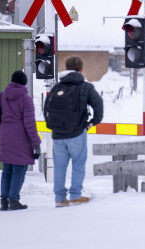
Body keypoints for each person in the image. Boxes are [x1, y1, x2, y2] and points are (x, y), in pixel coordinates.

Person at [43, 55, 103, 207]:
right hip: (77, 133)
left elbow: (46, 108)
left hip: (57, 135)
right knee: (78, 165)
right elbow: (98, 106)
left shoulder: (57, 87)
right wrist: (91, 123)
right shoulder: (85, 87)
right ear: (81, 70)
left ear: (66, 69)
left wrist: (54, 125)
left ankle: (60, 198)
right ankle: (75, 195)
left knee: (59, 167)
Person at [0, 70, 41, 211]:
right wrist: (36, 143)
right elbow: (29, 124)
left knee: (7, 170)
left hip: (5, 137)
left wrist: (5, 123)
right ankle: (14, 200)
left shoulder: (2, 96)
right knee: (19, 169)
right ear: (24, 83)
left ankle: (4, 201)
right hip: (21, 139)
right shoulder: (26, 99)